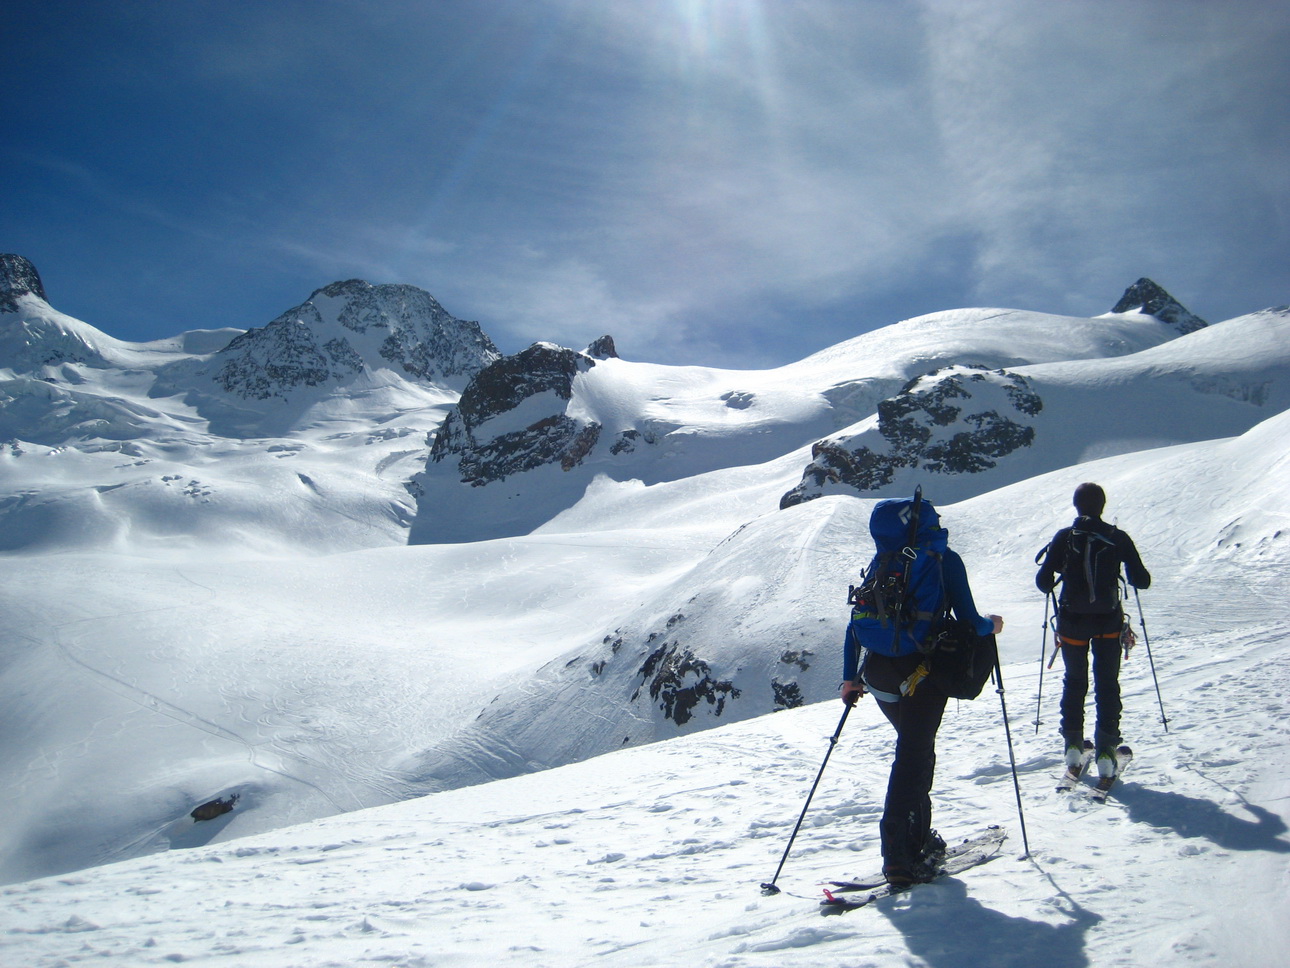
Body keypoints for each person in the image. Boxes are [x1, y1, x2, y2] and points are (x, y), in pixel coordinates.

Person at [840, 496, 1003, 887]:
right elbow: (970, 621)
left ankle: (917, 839)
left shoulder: (882, 563)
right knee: (913, 756)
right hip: (922, 673)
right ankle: (897, 856)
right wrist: (993, 625)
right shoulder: (943, 560)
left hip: (878, 673)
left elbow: (854, 623)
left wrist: (849, 678)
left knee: (916, 752)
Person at [1035, 483, 1150, 779]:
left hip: (1072, 623)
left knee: (1074, 681)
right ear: (1102, 505)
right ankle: (1106, 752)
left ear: (1076, 506)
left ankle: (1073, 746)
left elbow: (1043, 581)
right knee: (1107, 684)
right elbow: (1142, 580)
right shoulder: (1117, 537)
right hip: (1108, 623)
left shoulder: (1065, 537)